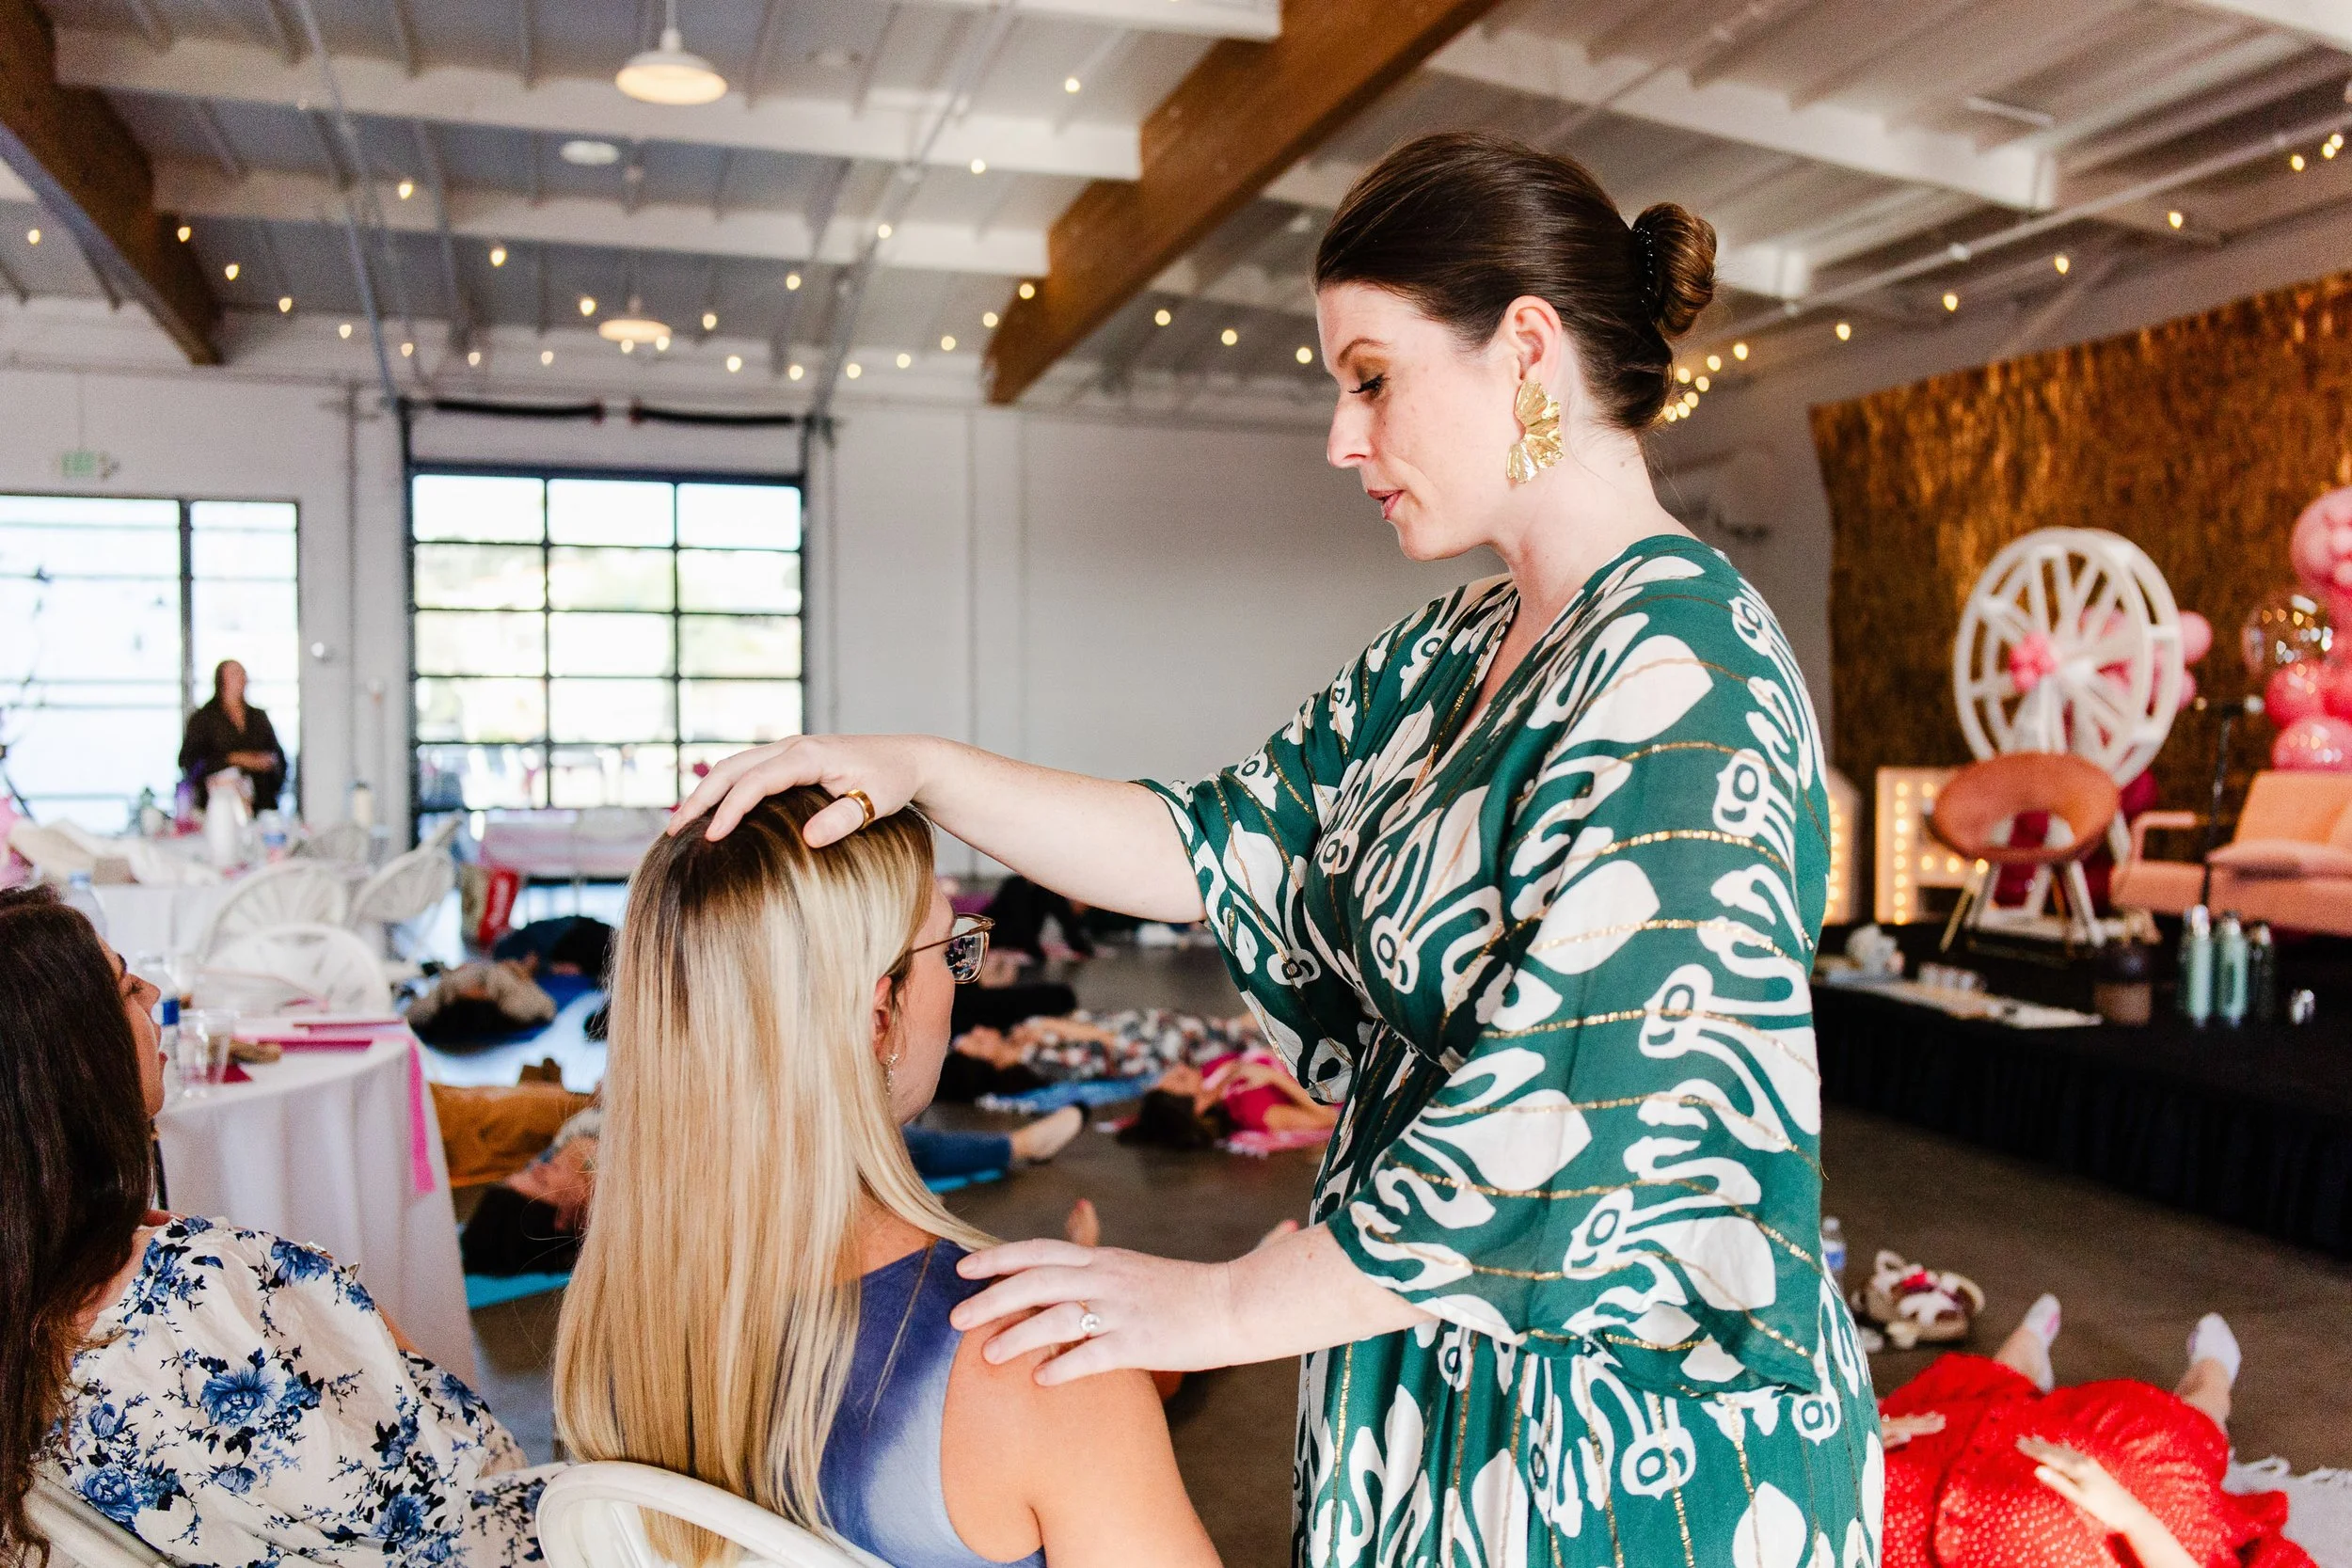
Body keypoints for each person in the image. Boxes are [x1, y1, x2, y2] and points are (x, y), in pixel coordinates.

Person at [674, 129, 1876, 1563]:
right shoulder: (1451, 648)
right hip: (1419, 1356)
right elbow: (1212, 846)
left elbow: (1585, 1112)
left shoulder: (1687, 668)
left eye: (1371, 378)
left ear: (1526, 350)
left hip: (1616, 1431)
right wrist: (923, 767)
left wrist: (1223, 1303)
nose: (1340, 438)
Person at [553, 787, 1218, 1567]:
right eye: (951, 951)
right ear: (878, 1015)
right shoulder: (1037, 1367)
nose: (960, 978)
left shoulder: (608, 1337)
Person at [0, 886, 549, 1564]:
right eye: (127, 987)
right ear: (77, 1062)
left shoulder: (37, 1306)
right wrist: (346, 1311)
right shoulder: (195, 1292)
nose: (155, 993)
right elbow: (426, 1495)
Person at [1879, 1295, 2313, 1568]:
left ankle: (2023, 1357)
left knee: (1952, 1410)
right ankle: (2211, 1381)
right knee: (2171, 1436)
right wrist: (2131, 1517)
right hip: (2110, 1521)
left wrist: (1860, 1442)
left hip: (1915, 1510)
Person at [177, 658, 288, 812]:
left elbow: (278, 756)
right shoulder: (203, 718)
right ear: (221, 680)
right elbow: (189, 761)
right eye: (235, 674)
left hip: (260, 802)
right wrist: (234, 759)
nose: (242, 678)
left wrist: (268, 762)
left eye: (243, 674)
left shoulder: (258, 717)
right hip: (218, 805)